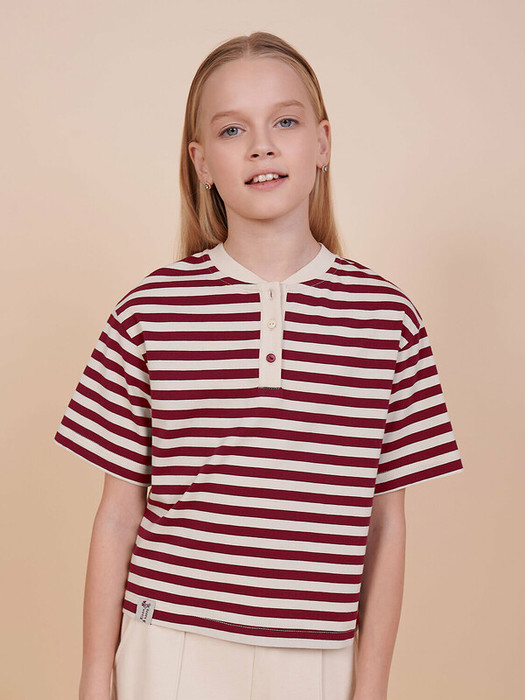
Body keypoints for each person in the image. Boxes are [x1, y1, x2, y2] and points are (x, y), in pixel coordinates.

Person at [54, 31, 464, 700]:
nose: (261, 146)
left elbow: (386, 524)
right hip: (170, 646)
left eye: (285, 122)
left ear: (323, 143)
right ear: (201, 162)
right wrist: (94, 677)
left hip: (319, 657)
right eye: (231, 129)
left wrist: (371, 685)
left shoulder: (388, 319)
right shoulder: (148, 310)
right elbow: (117, 514)